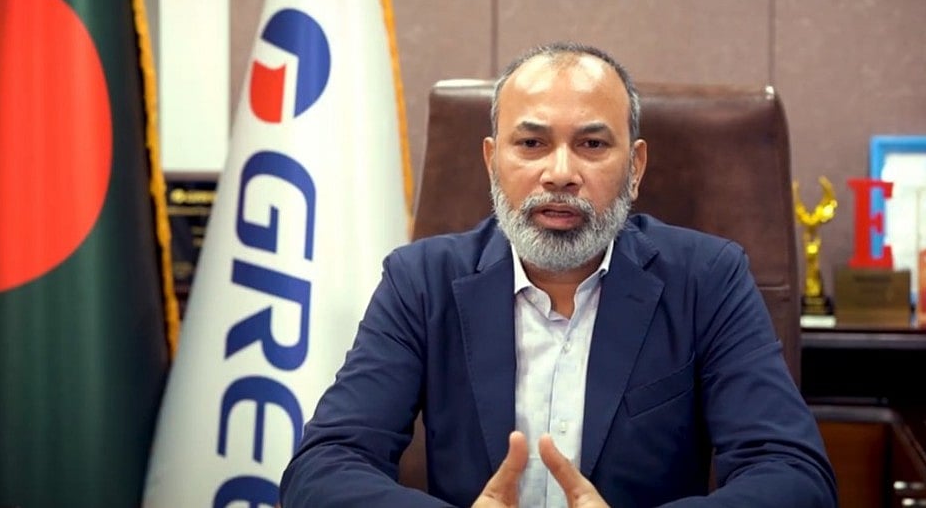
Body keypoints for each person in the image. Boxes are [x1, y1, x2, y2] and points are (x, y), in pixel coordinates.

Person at [280, 42, 838, 507]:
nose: (561, 173)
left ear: (635, 167)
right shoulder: (420, 281)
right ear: (492, 162)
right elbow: (324, 467)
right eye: (532, 144)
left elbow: (794, 476)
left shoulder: (707, 279)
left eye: (592, 144)